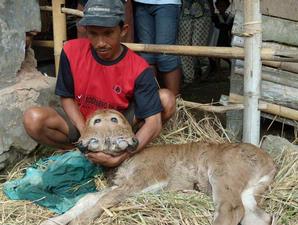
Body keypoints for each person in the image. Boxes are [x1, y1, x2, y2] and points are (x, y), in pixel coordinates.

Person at [23, 0, 176, 168]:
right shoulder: (71, 51)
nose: (100, 42)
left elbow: (153, 123)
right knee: (33, 119)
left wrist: (122, 157)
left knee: (166, 99)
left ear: (123, 30)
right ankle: (79, 151)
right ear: (85, 30)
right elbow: (66, 97)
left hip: (119, 122)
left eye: (108, 33)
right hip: (83, 118)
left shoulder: (139, 68)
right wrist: (86, 133)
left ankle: (120, 147)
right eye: (93, 34)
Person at [134, 0, 182, 96]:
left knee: (166, 54)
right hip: (140, 3)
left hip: (166, 2)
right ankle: (151, 102)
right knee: (146, 56)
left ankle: (175, 103)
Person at [178, 0, 214, 84]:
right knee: (184, 47)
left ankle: (205, 69)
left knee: (197, 45)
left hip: (203, 12)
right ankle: (189, 78)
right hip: (185, 13)